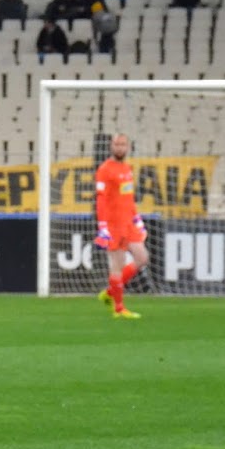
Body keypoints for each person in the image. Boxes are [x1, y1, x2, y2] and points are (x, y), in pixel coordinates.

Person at [94, 132, 149, 319]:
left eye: (123, 144)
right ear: (111, 146)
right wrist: (103, 226)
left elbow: (128, 197)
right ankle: (119, 308)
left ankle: (110, 292)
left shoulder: (127, 168)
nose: (120, 148)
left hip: (128, 223)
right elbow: (101, 199)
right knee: (117, 265)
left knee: (142, 257)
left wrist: (137, 220)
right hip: (113, 225)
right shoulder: (104, 169)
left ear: (128, 147)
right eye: (117, 144)